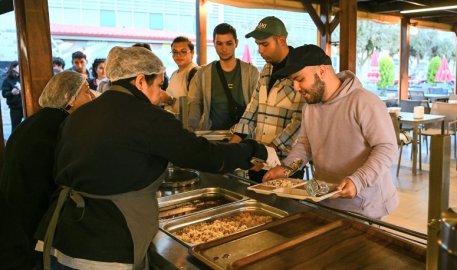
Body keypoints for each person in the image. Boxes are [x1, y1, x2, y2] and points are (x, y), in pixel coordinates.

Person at [34, 46, 278, 270]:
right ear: (140, 80)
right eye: (159, 85)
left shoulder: (80, 114)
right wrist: (253, 150)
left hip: (59, 233)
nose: (161, 93)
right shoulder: (147, 117)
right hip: (104, 246)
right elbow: (205, 156)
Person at [263, 44, 399, 219]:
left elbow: (387, 148)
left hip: (365, 206)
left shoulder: (364, 101)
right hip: (325, 199)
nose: (296, 88)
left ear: (321, 71)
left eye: (299, 79)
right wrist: (286, 168)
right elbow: (305, 145)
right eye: (293, 82)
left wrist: (358, 180)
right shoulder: (309, 108)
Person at [0, 71, 95, 268]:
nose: (92, 97)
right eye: (86, 92)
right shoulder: (62, 127)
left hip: (12, 219)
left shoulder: (33, 122)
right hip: (33, 226)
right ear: (69, 98)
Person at [229, 16, 306, 181]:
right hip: (259, 158)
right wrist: (232, 145)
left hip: (286, 162)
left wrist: (268, 150)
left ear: (281, 40)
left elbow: (300, 121)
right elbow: (253, 107)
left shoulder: (300, 69)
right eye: (258, 45)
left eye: (265, 44)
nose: (261, 50)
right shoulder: (266, 68)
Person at [188, 23, 259, 131]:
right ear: (214, 44)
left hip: (243, 135)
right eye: (219, 43)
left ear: (236, 43)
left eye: (229, 43)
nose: (224, 48)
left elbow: (256, 106)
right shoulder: (203, 73)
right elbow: (196, 103)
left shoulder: (251, 72)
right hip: (213, 135)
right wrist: (191, 128)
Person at [164, 36, 199, 113]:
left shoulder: (195, 73)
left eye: (183, 51)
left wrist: (169, 99)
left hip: (186, 123)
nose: (178, 55)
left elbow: (193, 107)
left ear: (192, 53)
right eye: (175, 52)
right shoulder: (174, 73)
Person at [2, 61, 23, 131]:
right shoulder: (7, 80)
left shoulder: (23, 78)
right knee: (16, 128)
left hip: (25, 106)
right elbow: (4, 94)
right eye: (19, 67)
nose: (21, 68)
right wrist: (11, 92)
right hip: (15, 108)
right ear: (13, 68)